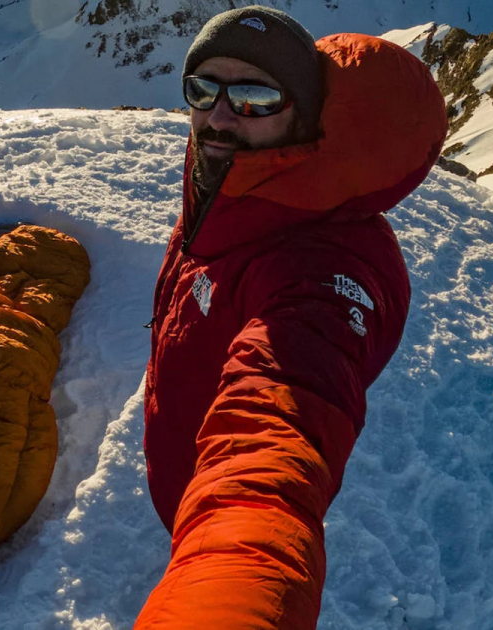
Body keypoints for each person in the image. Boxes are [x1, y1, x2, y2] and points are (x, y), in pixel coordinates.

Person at [138, 6, 446, 629]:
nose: (218, 117)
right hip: (186, 464)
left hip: (222, 489)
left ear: (303, 118)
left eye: (254, 96)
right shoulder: (233, 179)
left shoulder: (326, 270)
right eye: (202, 89)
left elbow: (268, 446)